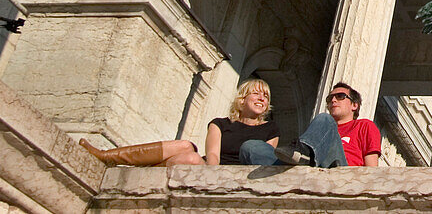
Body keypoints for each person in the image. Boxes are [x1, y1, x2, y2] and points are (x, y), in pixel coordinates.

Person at [79, 78, 278, 166]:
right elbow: (213, 157)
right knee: (186, 146)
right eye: (256, 93)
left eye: (266, 97)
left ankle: (141, 171)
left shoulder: (270, 129)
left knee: (191, 159)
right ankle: (108, 156)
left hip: (237, 174)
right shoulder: (220, 123)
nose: (262, 98)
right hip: (213, 167)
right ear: (242, 99)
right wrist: (212, 174)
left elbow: (263, 160)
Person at [239, 82, 381, 167]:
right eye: (330, 98)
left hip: (338, 169)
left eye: (340, 96)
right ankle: (302, 158)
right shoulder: (318, 128)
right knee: (251, 147)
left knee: (325, 119)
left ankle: (303, 153)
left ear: (354, 105)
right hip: (309, 166)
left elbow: (371, 168)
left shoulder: (364, 126)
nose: (333, 100)